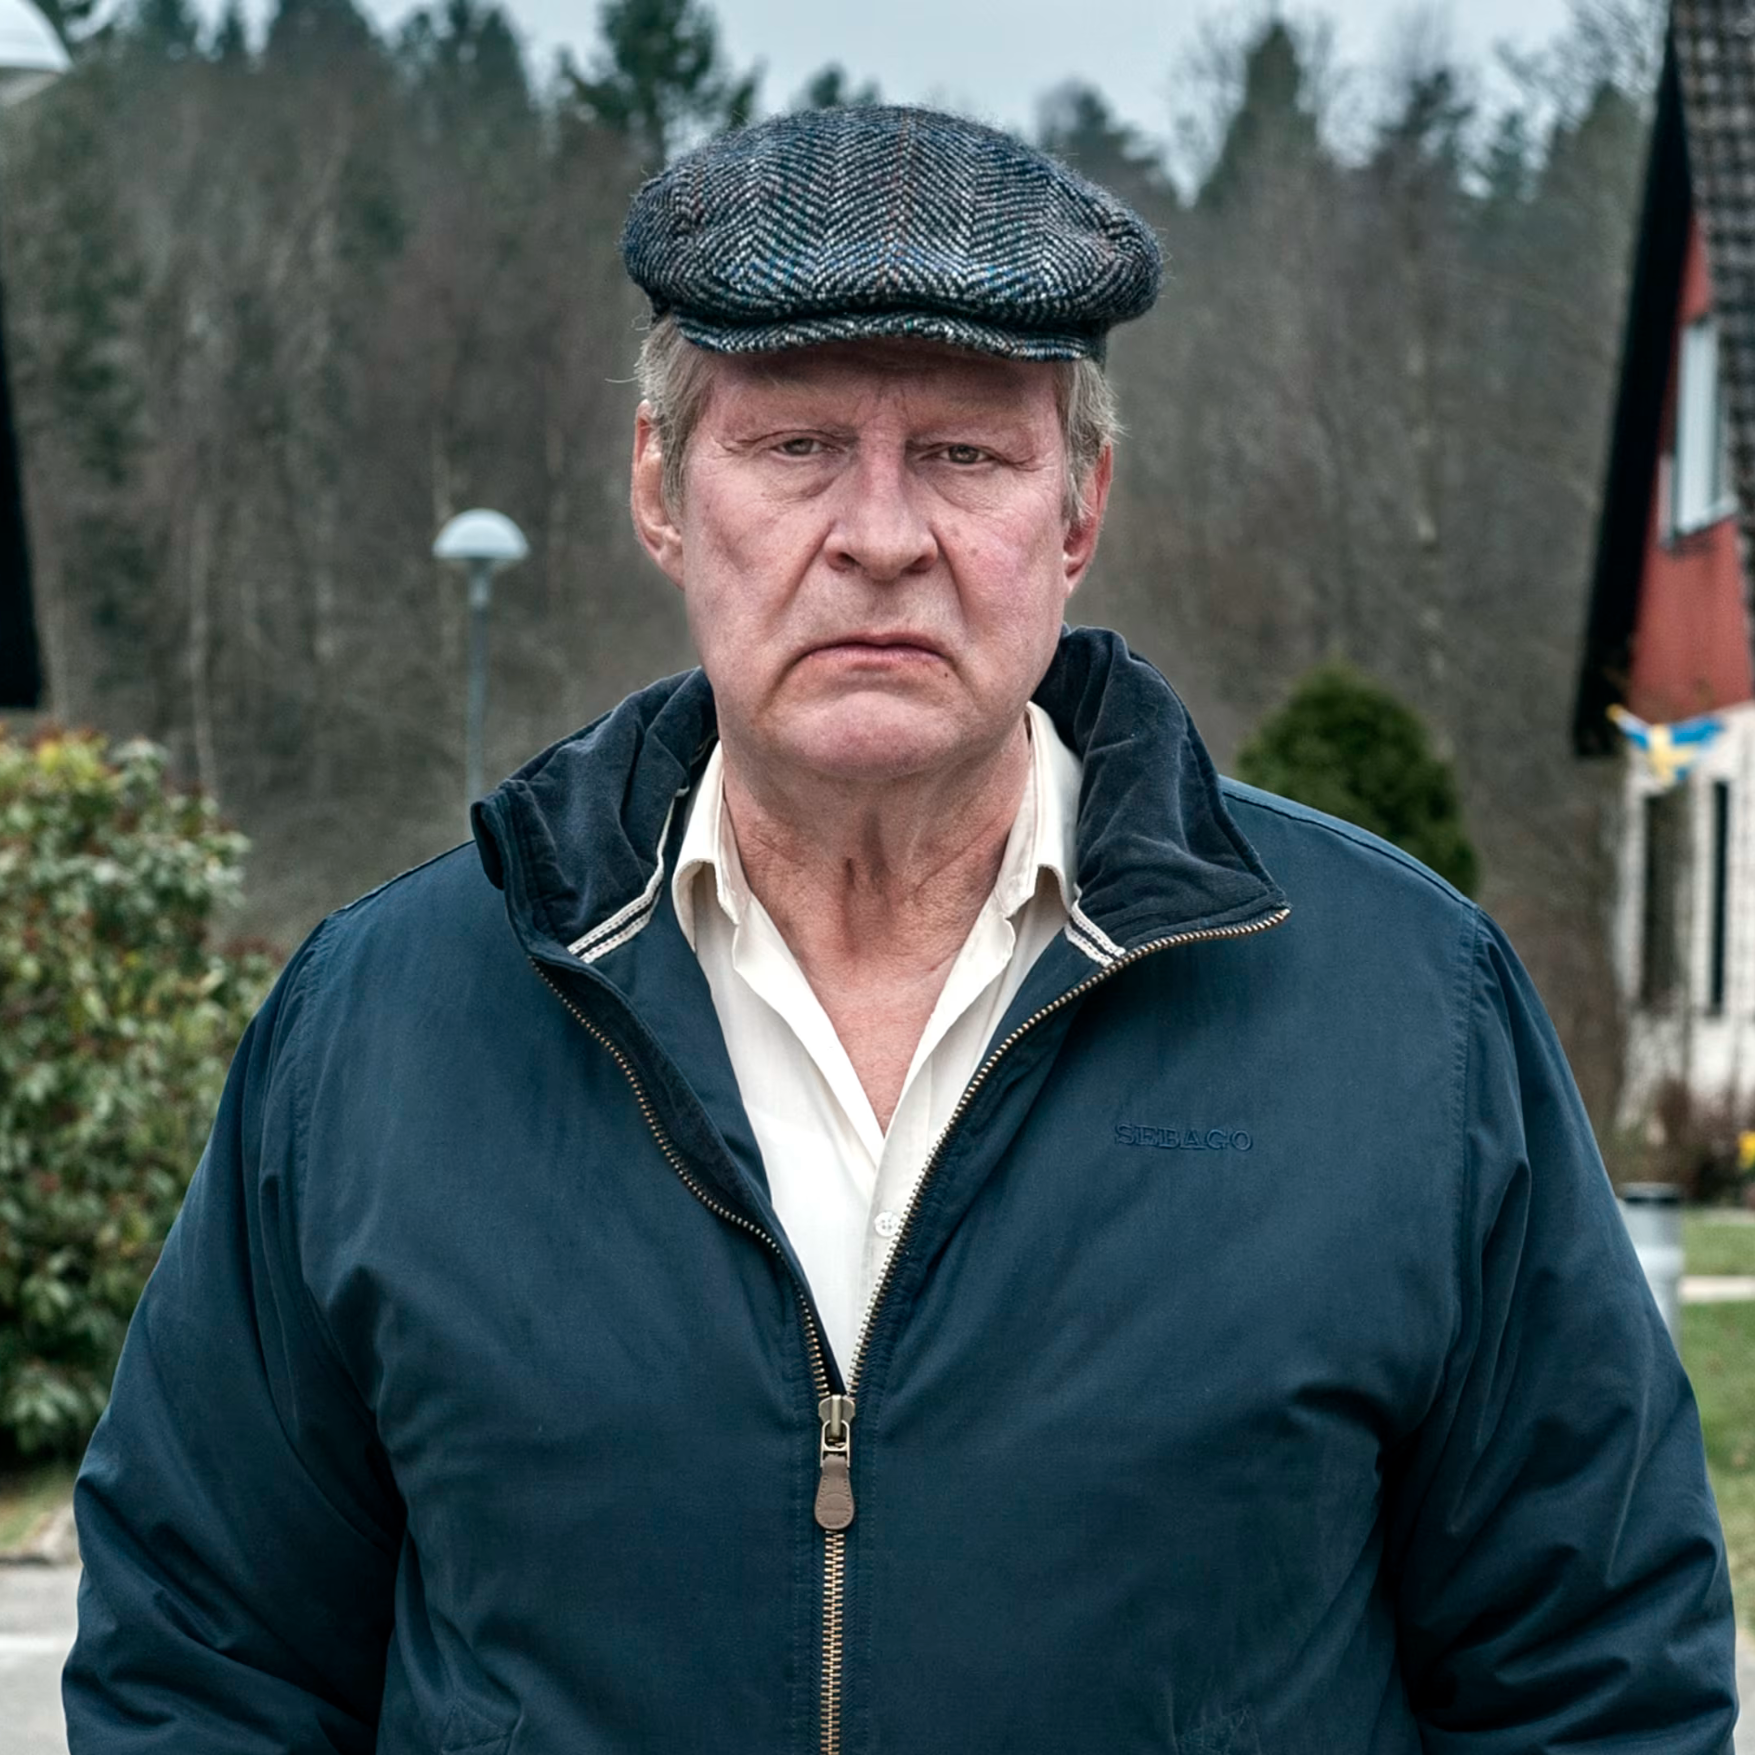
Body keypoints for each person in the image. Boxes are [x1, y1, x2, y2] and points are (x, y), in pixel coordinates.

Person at [65, 106, 1735, 1755]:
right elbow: (205, 1662)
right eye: (795, 446)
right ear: (661, 487)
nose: (877, 535)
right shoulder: (383, 1028)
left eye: (963, 453)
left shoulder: (1403, 1014)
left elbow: (1592, 1682)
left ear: (1076, 510)